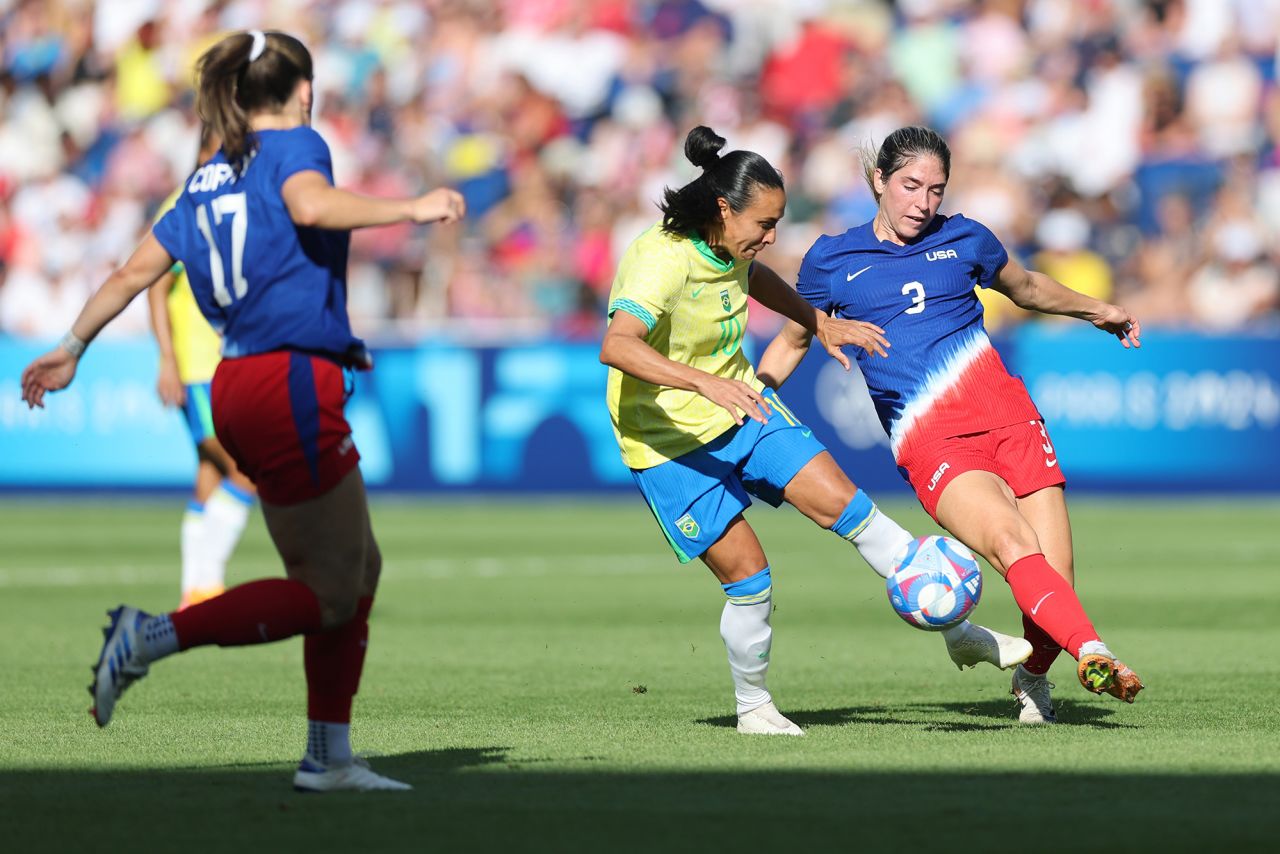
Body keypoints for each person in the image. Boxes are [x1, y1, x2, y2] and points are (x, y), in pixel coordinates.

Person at [21, 30, 465, 789]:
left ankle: (329, 756)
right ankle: (149, 637)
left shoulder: (202, 180)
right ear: (301, 89)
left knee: (356, 572)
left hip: (241, 382)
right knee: (328, 590)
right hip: (289, 381)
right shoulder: (295, 145)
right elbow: (312, 204)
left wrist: (71, 345)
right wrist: (410, 206)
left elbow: (133, 272)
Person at [600, 126, 1031, 737]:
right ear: (723, 209)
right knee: (751, 580)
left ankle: (957, 631)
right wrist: (705, 383)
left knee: (854, 510)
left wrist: (816, 321)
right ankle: (753, 708)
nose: (771, 237)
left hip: (744, 408)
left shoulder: (730, 246)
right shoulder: (659, 259)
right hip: (669, 444)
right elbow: (617, 346)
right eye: (764, 225)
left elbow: (759, 279)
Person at [758, 126, 1145, 724]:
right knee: (1013, 546)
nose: (923, 203)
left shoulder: (966, 238)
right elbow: (792, 337)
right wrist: (755, 397)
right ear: (879, 182)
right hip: (931, 438)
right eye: (911, 186)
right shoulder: (832, 260)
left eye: (936, 190)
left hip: (1011, 417)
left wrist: (1098, 309)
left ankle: (1034, 674)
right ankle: (1095, 652)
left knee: (1055, 579)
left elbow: (1026, 288)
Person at [147, 125, 257, 610]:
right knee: (248, 470)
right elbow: (152, 284)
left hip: (223, 364)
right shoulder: (186, 202)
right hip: (198, 368)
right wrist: (167, 359)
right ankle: (207, 584)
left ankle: (195, 589)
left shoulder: (228, 200)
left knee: (208, 476)